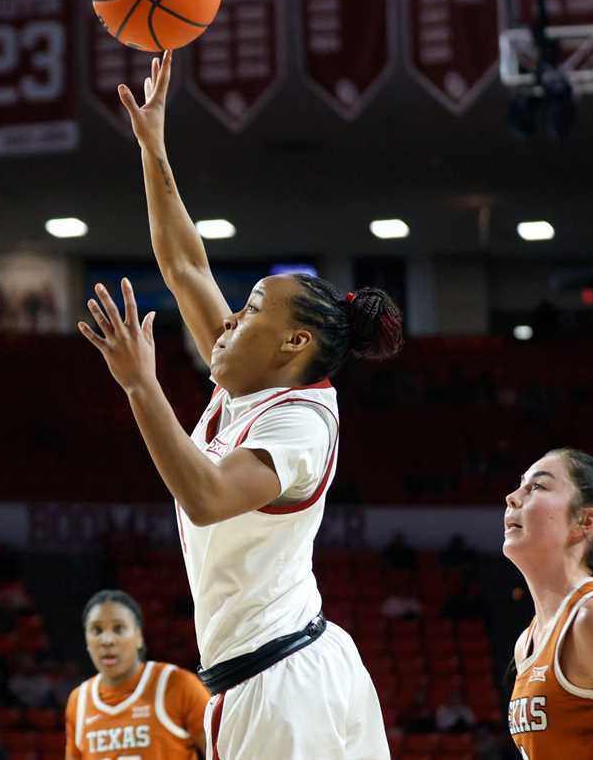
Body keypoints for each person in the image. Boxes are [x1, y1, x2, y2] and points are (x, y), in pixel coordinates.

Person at [78, 50, 401, 759]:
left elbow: (206, 493)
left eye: (250, 307)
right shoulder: (249, 383)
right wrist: (153, 148)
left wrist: (141, 384)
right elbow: (185, 264)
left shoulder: (302, 422)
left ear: (292, 341)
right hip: (292, 670)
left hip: (280, 685)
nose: (227, 318)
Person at [504, 449, 593, 758]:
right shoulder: (527, 640)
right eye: (520, 484)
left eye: (537, 486)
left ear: (585, 522)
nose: (512, 497)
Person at [64, 590, 209, 759]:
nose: (107, 640)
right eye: (97, 630)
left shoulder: (178, 684)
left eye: (119, 629)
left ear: (139, 636)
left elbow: (222, 751)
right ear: (86, 640)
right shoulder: (78, 700)